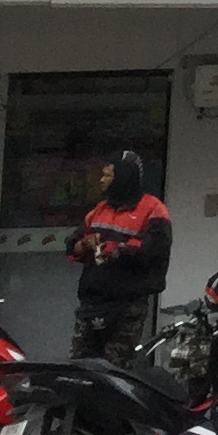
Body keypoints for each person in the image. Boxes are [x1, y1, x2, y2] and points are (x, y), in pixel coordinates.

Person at [66, 148, 172, 365]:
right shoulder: (99, 210)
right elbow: (71, 246)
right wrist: (85, 244)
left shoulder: (153, 209)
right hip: (92, 303)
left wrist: (117, 249)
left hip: (127, 307)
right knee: (78, 367)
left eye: (107, 175)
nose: (101, 180)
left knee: (114, 369)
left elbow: (155, 251)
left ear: (123, 177)